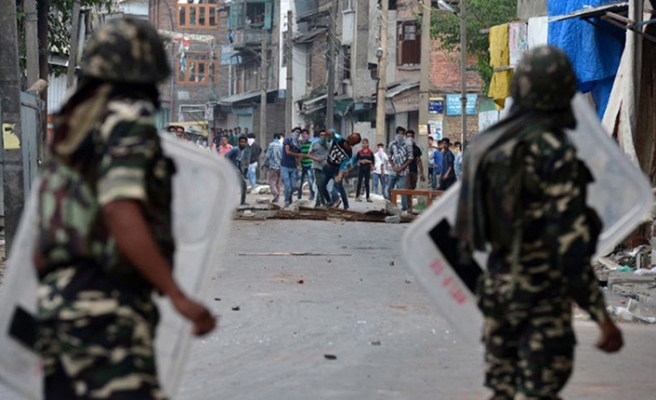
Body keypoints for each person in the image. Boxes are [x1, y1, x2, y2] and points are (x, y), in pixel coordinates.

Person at [33, 18, 216, 400]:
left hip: (55, 309)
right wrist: (177, 295)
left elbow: (44, 232)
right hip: (104, 309)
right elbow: (121, 208)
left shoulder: (74, 127)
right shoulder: (127, 118)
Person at [454, 46, 623, 400]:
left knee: (502, 390)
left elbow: (467, 233)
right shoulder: (553, 151)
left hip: (497, 293)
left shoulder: (484, 148)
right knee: (540, 392)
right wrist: (600, 315)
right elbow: (571, 246)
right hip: (541, 299)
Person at [322, 130, 362, 210]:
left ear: (354, 144)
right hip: (327, 166)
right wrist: (329, 132)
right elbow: (333, 133)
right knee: (322, 185)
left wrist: (339, 176)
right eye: (352, 135)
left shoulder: (348, 154)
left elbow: (343, 166)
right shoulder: (339, 139)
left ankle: (345, 205)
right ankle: (329, 202)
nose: (350, 137)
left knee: (339, 187)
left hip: (336, 170)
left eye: (353, 139)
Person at [281, 128, 312, 207]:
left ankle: (289, 196)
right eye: (296, 132)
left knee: (294, 186)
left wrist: (299, 163)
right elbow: (287, 152)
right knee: (287, 184)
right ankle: (286, 201)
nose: (297, 134)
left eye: (299, 133)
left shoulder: (298, 144)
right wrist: (299, 155)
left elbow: (299, 156)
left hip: (294, 167)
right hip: (285, 166)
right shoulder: (288, 141)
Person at [387, 127, 413, 211]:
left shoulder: (408, 144)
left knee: (402, 190)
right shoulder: (392, 144)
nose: (400, 135)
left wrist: (402, 167)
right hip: (393, 170)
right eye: (399, 133)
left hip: (403, 171)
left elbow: (410, 158)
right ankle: (391, 205)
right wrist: (393, 166)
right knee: (389, 188)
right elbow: (389, 157)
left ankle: (404, 208)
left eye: (402, 133)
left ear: (404, 134)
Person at [310, 129, 338, 208]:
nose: (323, 137)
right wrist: (315, 158)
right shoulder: (314, 144)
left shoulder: (328, 145)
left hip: (325, 167)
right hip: (316, 166)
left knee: (323, 185)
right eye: (321, 135)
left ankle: (325, 201)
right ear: (319, 136)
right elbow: (309, 154)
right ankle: (322, 202)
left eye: (324, 135)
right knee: (319, 184)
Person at [225, 135, 252, 206]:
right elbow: (226, 156)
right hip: (232, 171)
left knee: (240, 185)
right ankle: (241, 202)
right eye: (241, 142)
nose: (243, 143)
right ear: (239, 142)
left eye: (244, 142)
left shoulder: (242, 151)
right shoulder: (235, 149)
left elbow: (238, 161)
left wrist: (240, 170)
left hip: (236, 171)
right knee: (243, 185)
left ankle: (240, 202)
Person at [262, 133, 283, 203]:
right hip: (281, 167)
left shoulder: (271, 145)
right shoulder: (282, 145)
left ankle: (275, 193)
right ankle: (278, 197)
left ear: (274, 137)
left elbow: (267, 156)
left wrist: (263, 164)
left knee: (272, 182)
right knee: (278, 183)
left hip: (273, 167)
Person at [297, 129, 316, 201]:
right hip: (301, 165)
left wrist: (304, 155)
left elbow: (310, 153)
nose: (304, 135)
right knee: (300, 182)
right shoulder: (299, 144)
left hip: (309, 164)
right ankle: (299, 196)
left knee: (311, 181)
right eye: (303, 134)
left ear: (308, 135)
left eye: (306, 134)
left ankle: (313, 195)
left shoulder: (311, 143)